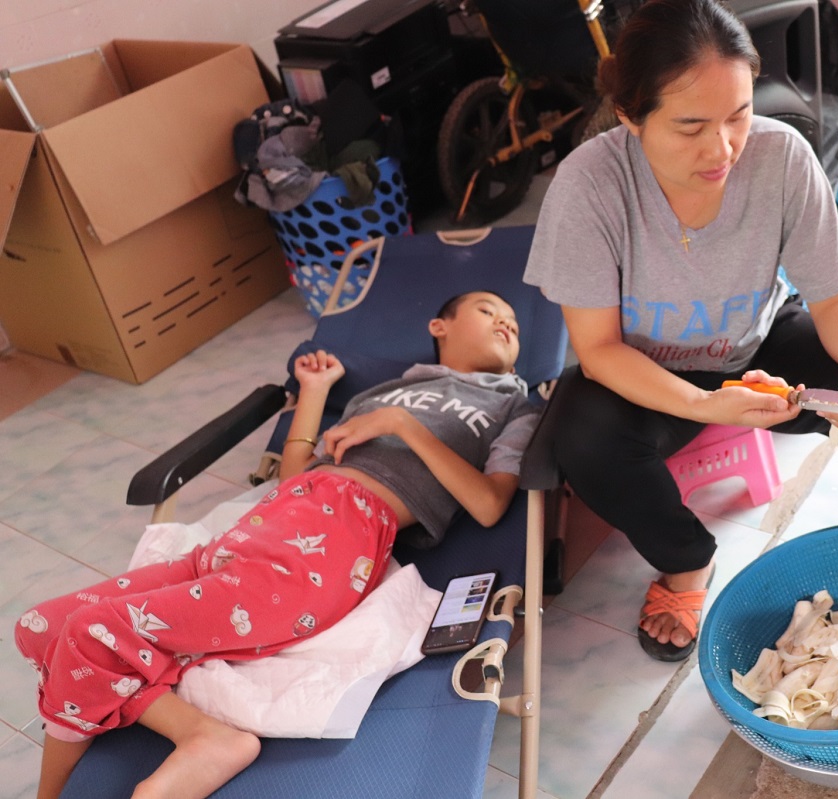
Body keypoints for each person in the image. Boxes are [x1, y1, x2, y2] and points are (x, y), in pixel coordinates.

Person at [523, 0, 838, 662]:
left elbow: (833, 298)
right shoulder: (589, 187)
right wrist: (702, 403)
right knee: (582, 436)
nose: (722, 149)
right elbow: (598, 350)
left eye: (738, 116)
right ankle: (685, 561)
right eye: (690, 127)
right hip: (646, 369)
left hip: (759, 347)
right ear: (631, 115)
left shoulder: (782, 158)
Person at [14, 291, 537, 799]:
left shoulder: (511, 405)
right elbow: (292, 475)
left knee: (91, 633)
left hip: (330, 543)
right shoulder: (377, 393)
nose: (506, 323)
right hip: (265, 522)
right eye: (488, 309)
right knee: (40, 627)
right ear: (439, 327)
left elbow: (490, 504)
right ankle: (202, 735)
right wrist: (314, 390)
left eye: (513, 322)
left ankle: (188, 750)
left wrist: (404, 426)